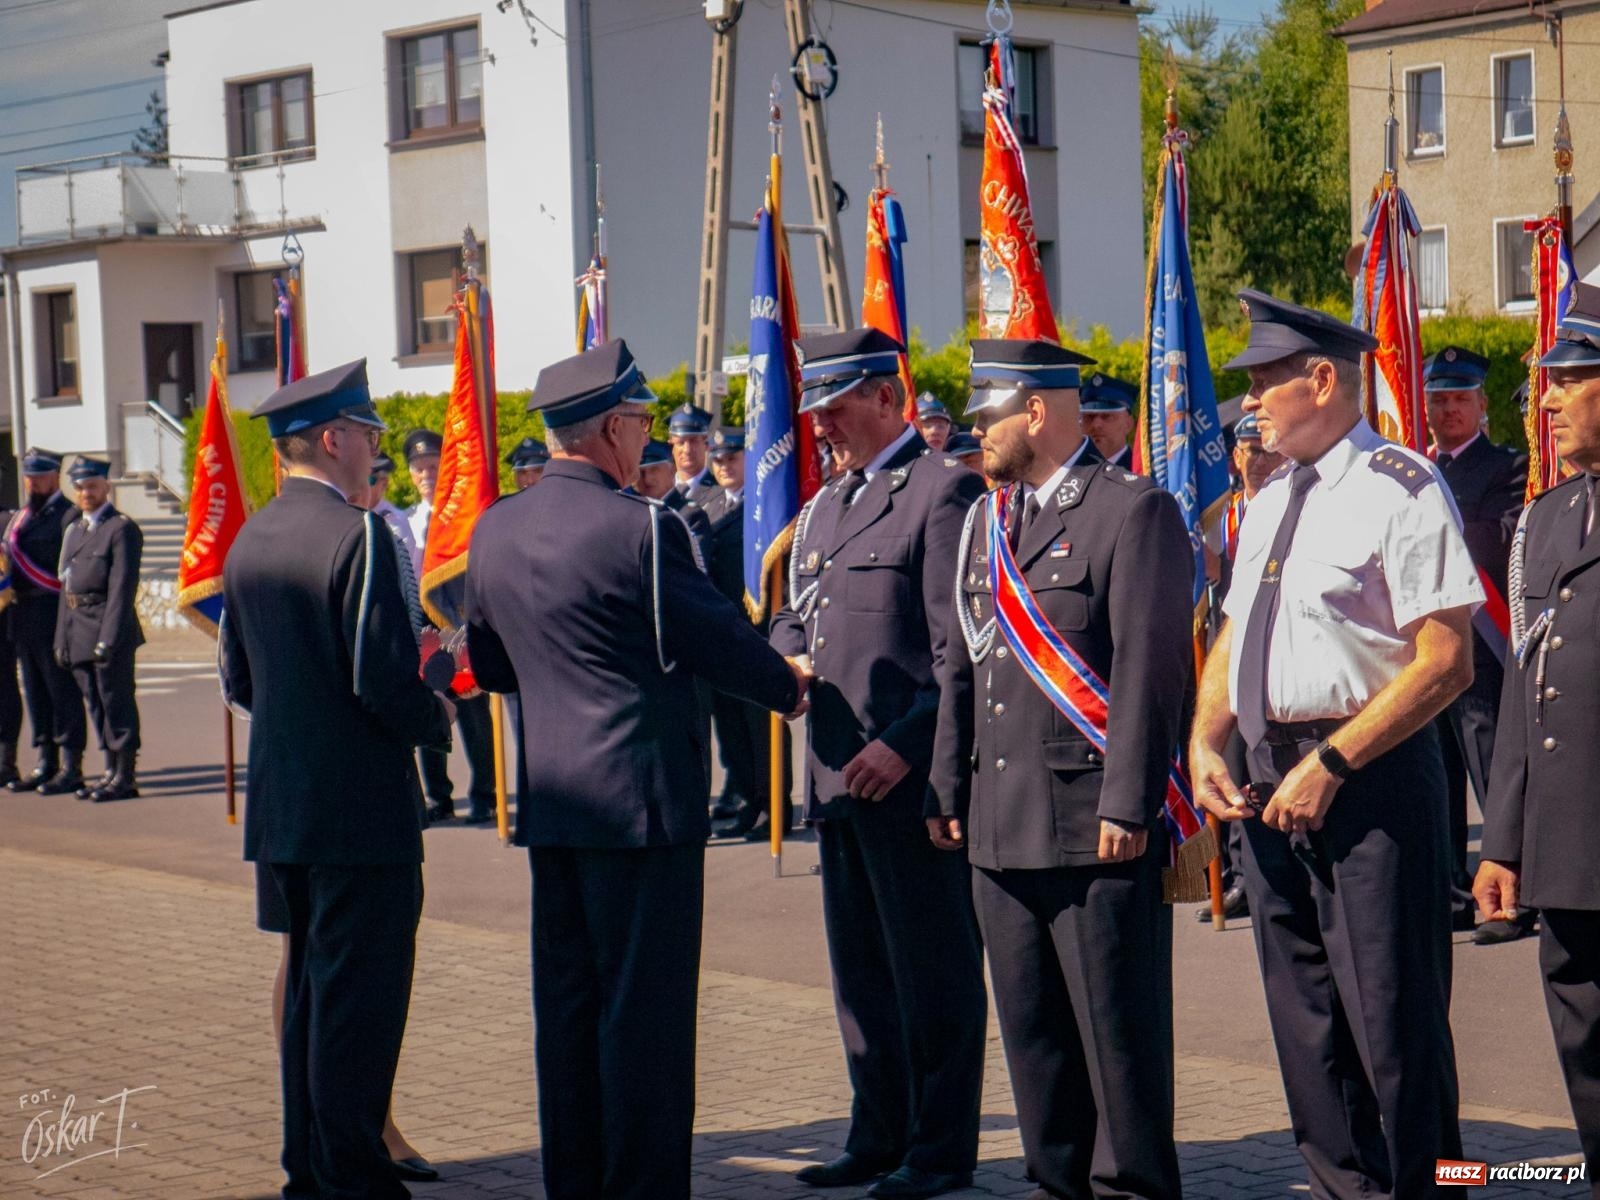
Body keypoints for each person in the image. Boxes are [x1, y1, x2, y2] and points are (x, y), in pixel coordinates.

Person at [464, 339, 807, 1200]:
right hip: (644, 813)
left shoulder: (496, 524)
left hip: (553, 808)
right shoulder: (644, 528)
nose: (650, 439)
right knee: (645, 1021)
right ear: (613, 428)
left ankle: (575, 1181)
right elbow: (716, 637)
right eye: (644, 423)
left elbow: (493, 669)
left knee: (569, 1012)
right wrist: (787, 686)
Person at [1189, 290, 1481, 1199]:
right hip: (1270, 778)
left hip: (1371, 779)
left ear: (1323, 379)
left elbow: (1447, 661)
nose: (1251, 404)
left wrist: (1335, 762)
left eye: (1267, 382)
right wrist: (1206, 742)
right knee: (1307, 1023)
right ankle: (1343, 1186)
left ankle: (1441, 1187)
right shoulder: (1273, 498)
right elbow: (1237, 634)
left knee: (1394, 1024)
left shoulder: (1401, 484)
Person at [927, 337, 1190, 1200]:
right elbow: (963, 667)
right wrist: (945, 784)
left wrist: (1131, 803)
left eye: (988, 416)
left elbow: (1152, 672)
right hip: (1000, 828)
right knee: (1034, 1040)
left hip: (1093, 828)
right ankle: (1055, 1183)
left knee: (1116, 1041)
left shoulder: (1130, 510)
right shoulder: (988, 519)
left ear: (1035, 412)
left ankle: (1132, 1189)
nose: (976, 434)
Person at [220, 358, 456, 1199]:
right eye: (367, 434)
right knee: (357, 1006)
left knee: (312, 1002)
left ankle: (310, 1170)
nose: (374, 449)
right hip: (359, 812)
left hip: (284, 806)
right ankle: (355, 1175)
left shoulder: (252, 537)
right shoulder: (358, 535)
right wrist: (439, 713)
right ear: (332, 439)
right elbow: (382, 680)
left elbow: (237, 680)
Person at [771, 328, 987, 1200]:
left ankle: (938, 1150)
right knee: (860, 975)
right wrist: (782, 663)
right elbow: (794, 617)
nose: (821, 426)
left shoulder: (941, 491)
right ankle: (878, 1130)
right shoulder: (824, 504)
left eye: (836, 408)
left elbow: (961, 651)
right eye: (814, 412)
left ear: (888, 399)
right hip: (833, 774)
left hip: (904, 785)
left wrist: (906, 747)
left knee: (930, 972)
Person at [1475, 282, 1600, 1198]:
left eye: (1569, 378)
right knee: (1583, 1036)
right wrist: (1505, 839)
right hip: (1565, 846)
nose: (1546, 400)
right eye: (1545, 381)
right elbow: (1527, 687)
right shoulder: (1547, 518)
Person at [1421, 346, 1533, 944]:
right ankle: (1455, 893)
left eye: (1460, 398)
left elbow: (1495, 543)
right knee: (1437, 775)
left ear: (1482, 405)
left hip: (1483, 642)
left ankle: (1511, 894)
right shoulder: (1418, 468)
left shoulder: (1507, 466)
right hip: (1429, 645)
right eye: (1438, 399)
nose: (1448, 409)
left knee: (1493, 770)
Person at [1194, 411, 1285, 923]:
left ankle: (1250, 875)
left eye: (1267, 451)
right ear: (1235, 457)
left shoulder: (1287, 504)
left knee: (1256, 767)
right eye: (1250, 451)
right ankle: (1217, 876)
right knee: (1220, 762)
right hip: (1220, 652)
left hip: (1268, 656)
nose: (1260, 460)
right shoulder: (1219, 515)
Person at [701, 430, 791, 839]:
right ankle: (748, 802)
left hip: (756, 632)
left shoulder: (766, 506)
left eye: (732, 459)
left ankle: (777, 808)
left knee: (761, 728)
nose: (724, 466)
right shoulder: (709, 504)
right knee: (732, 729)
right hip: (720, 634)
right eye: (718, 460)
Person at [404, 427, 496, 825]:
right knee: (431, 711)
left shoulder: (464, 519)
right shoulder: (403, 522)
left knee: (474, 713)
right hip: (424, 630)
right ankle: (438, 796)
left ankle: (485, 794)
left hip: (460, 622)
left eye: (432, 466)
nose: (426, 474)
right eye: (418, 467)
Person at [54, 456, 144, 803]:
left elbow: (122, 588)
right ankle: (109, 770)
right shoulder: (75, 529)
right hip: (79, 625)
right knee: (95, 703)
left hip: (108, 625)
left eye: (92, 486)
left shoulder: (120, 528)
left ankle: (125, 774)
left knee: (115, 701)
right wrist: (62, 635)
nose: (85, 493)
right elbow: (67, 586)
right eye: (79, 487)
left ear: (106, 486)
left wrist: (110, 637)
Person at [4, 447, 86, 795]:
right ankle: (45, 760)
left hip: (53, 613)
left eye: (40, 476)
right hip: (22, 616)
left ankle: (71, 765)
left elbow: (66, 571)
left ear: (55, 476)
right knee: (35, 690)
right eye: (29, 477)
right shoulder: (20, 517)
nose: (33, 483)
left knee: (61, 690)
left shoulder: (68, 516)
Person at [1078, 373, 1138, 469]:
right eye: (1089, 417)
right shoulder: (1071, 469)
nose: (1096, 425)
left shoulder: (1140, 470)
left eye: (1107, 417)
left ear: (1128, 424)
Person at [667, 403, 719, 503]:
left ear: (706, 445)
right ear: (671, 446)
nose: (687, 450)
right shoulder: (660, 490)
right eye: (681, 442)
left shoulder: (721, 492)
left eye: (694, 441)